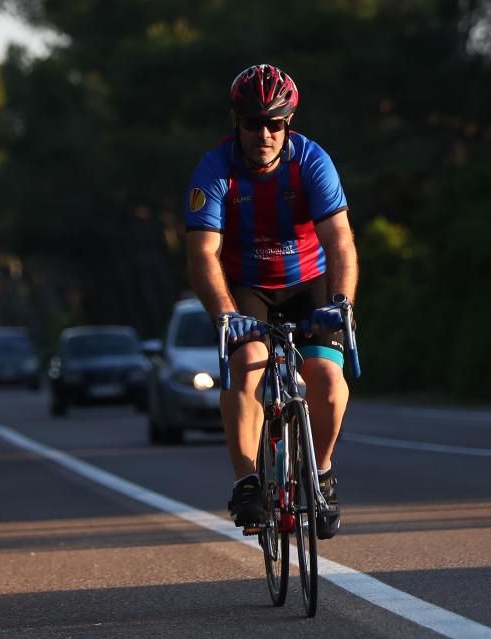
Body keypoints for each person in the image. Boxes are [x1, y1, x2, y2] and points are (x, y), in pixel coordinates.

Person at [185, 63, 358, 540]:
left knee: (326, 381)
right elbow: (202, 252)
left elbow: (340, 241)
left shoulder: (312, 162)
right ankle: (247, 482)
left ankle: (320, 472)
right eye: (252, 122)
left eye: (274, 123)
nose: (263, 133)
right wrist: (224, 313)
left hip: (308, 283)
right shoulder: (215, 170)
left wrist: (341, 302)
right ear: (235, 121)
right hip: (247, 286)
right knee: (250, 365)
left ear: (288, 124)